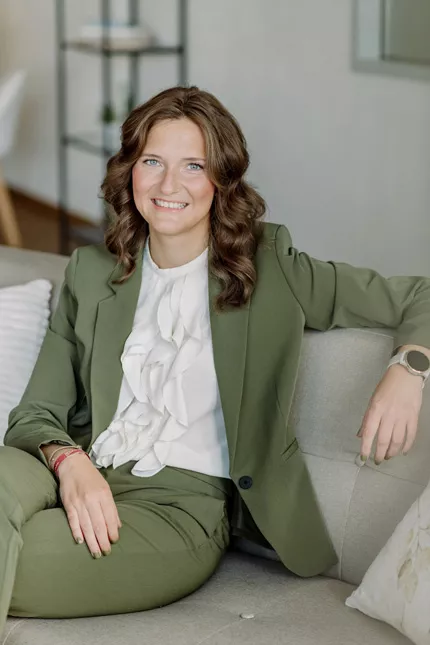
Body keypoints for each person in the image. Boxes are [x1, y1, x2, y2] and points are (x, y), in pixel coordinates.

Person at [1, 85, 430, 630]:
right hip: (64, 469)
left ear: (222, 180)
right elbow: (34, 413)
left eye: (193, 166)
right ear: (129, 171)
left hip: (175, 508)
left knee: (19, 565)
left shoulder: (272, 267)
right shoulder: (91, 272)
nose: (168, 185)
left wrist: (409, 369)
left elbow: (419, 295)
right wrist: (70, 464)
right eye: (152, 161)